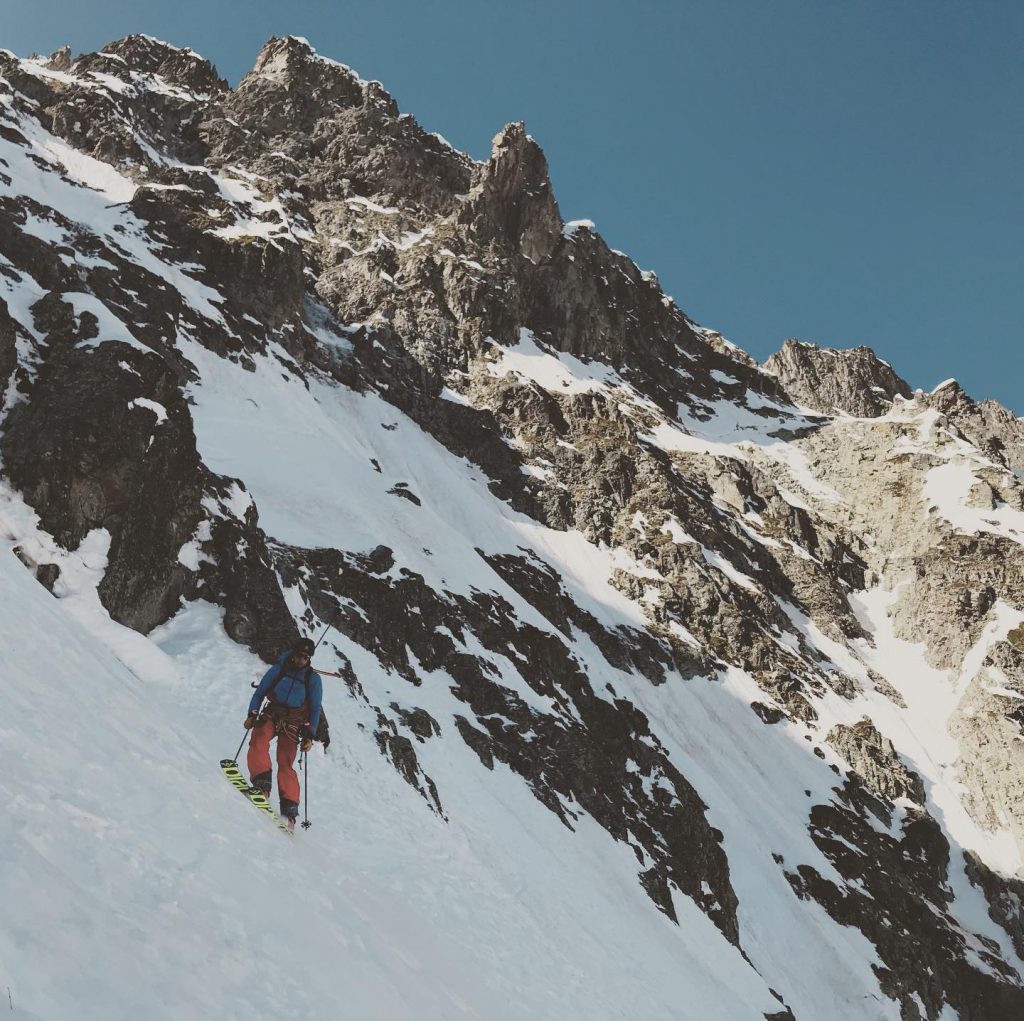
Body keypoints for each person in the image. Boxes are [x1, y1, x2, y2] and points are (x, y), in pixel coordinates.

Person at [244, 637, 323, 827]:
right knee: (258, 741)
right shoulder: (279, 669)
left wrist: (310, 735)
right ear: (293, 653)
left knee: (285, 762)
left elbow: (315, 709)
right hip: (273, 713)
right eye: (299, 655)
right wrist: (252, 713)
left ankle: (290, 812)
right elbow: (259, 693)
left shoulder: (312, 679)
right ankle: (262, 788)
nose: (301, 659)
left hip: (294, 723)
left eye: (306, 657)